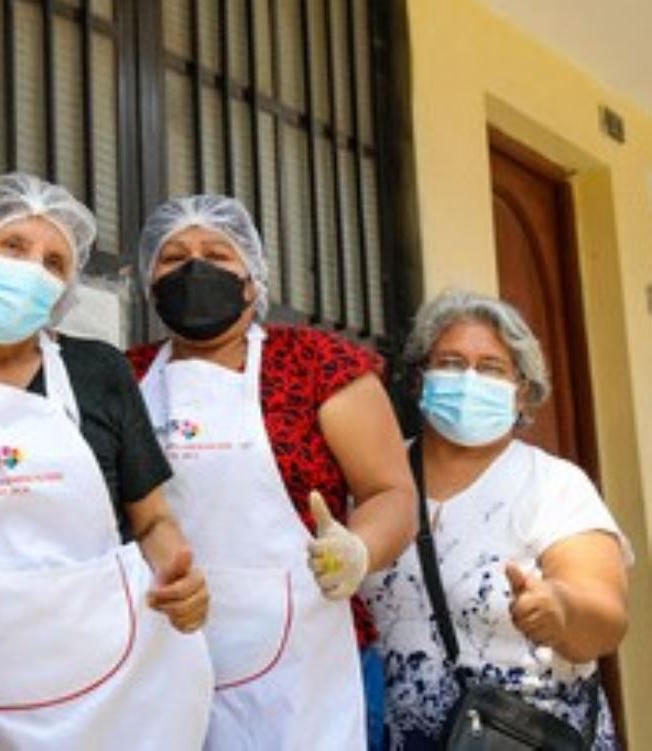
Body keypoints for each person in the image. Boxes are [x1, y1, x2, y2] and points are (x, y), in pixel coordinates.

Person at [0, 173, 213, 747]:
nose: (32, 269)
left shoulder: (98, 372)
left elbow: (153, 519)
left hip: (105, 690)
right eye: (14, 247)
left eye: (54, 262)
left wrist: (174, 572)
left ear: (64, 290)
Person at [126, 193, 417, 750]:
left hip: (307, 665)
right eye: (172, 257)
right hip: (161, 649)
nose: (194, 268)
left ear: (253, 280)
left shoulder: (316, 363)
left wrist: (359, 550)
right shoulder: (123, 377)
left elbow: (391, 492)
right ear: (148, 281)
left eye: (217, 252)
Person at [360, 290, 631, 750]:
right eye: (449, 362)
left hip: (525, 736)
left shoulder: (553, 485)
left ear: (521, 391)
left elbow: (605, 619)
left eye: (490, 368)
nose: (468, 379)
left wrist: (561, 609)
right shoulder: (378, 478)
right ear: (419, 380)